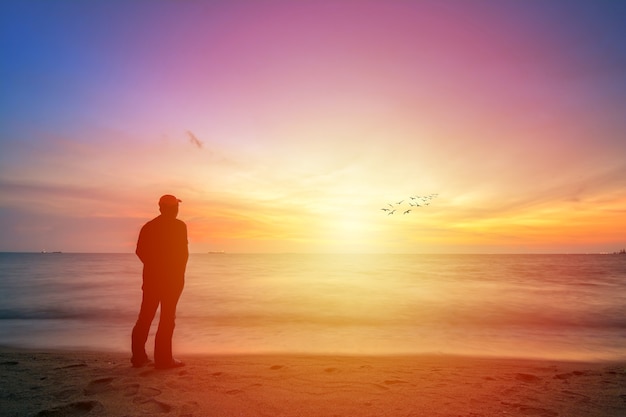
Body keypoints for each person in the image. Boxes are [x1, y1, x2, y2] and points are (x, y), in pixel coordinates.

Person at [131, 194, 189, 369]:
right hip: (171, 280)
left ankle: (139, 357)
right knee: (167, 318)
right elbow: (182, 255)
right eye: (176, 207)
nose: (177, 210)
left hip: (152, 279)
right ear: (172, 209)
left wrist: (153, 266)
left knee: (146, 316)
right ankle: (163, 360)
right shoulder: (179, 227)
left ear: (160, 208)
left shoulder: (149, 227)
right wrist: (177, 275)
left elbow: (140, 251)